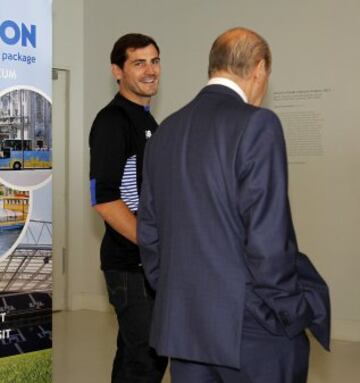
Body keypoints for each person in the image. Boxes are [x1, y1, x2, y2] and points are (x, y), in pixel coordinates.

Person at [137, 27, 330, 383]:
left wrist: (177, 296)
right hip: (250, 328)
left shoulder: (164, 131)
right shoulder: (259, 124)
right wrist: (293, 312)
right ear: (258, 69)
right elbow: (268, 242)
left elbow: (149, 233)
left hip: (185, 327)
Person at [89, 33, 167, 383]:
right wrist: (151, 242)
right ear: (117, 71)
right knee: (144, 361)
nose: (150, 70)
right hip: (129, 267)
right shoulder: (112, 121)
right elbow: (104, 200)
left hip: (147, 262)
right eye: (139, 63)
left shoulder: (147, 121)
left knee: (140, 357)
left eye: (154, 61)